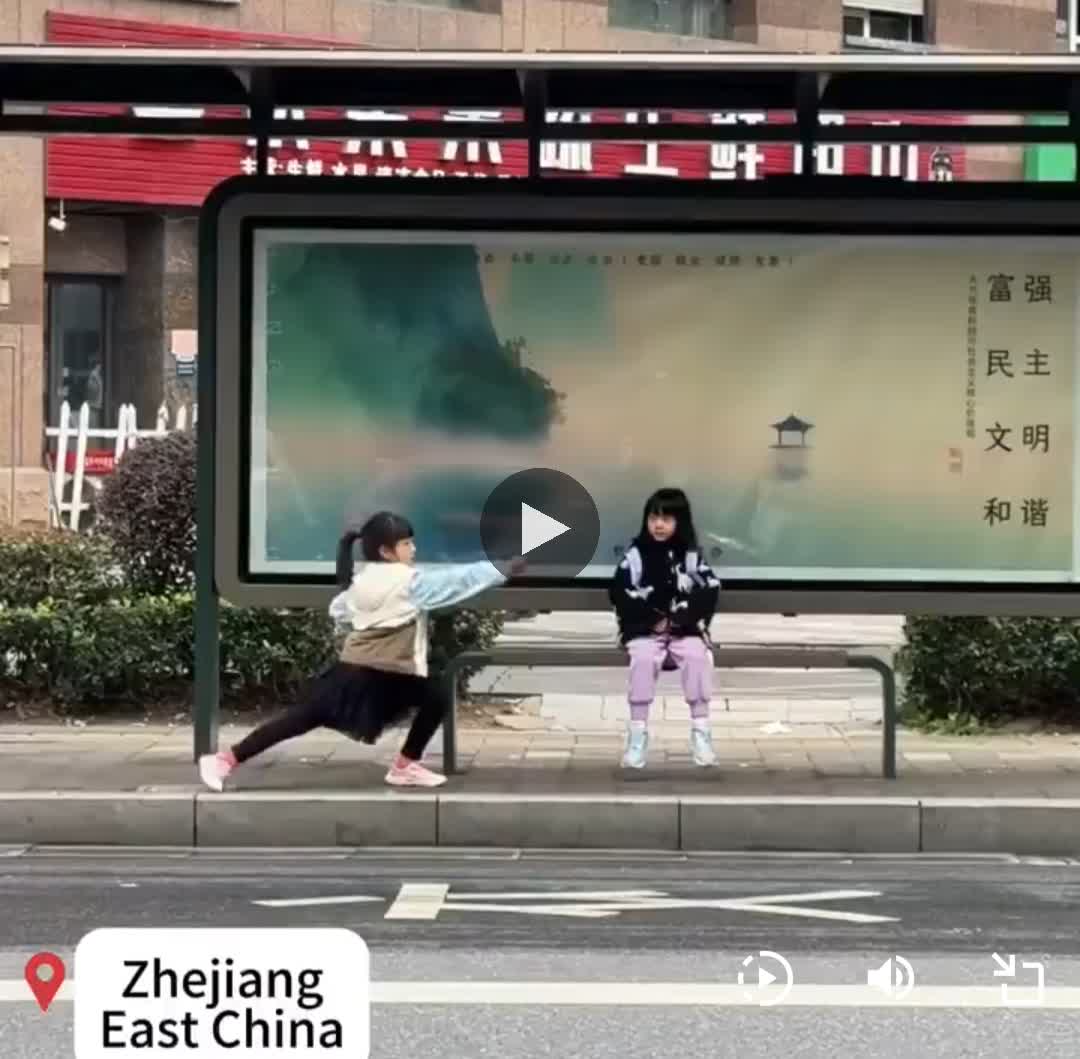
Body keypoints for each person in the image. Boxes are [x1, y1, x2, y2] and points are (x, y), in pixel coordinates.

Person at [198, 512, 523, 791]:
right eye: (406, 544)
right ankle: (225, 760)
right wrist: (501, 568)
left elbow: (341, 603)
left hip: (371, 670)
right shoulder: (408, 583)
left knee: (434, 696)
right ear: (386, 551)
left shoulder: (367, 581)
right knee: (301, 719)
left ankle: (404, 767)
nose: (413, 549)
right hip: (368, 675)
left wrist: (343, 550)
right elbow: (456, 581)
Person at [610, 488, 721, 770]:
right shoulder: (636, 555)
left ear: (680, 522)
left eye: (667, 519)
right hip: (645, 632)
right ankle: (637, 734)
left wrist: (680, 619)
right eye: (653, 518)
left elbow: (709, 589)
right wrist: (652, 619)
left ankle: (701, 731)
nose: (658, 525)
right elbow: (620, 591)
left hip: (684, 631)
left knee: (698, 657)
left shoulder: (691, 556)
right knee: (643, 660)